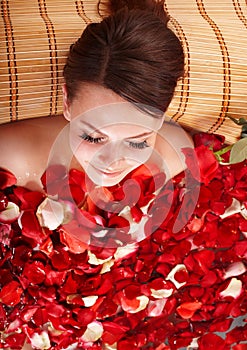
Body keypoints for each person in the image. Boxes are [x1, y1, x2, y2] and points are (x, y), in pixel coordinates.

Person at [0, 0, 193, 191]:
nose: (112, 160)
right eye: (93, 138)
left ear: (161, 117)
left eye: (137, 142)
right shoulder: (10, 157)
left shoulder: (175, 154)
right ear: (67, 102)